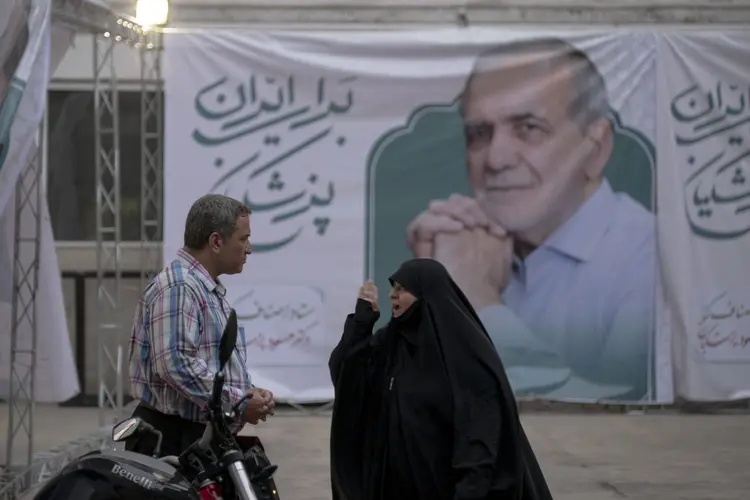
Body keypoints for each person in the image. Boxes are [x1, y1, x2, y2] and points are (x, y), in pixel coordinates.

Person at [406, 37, 656, 400]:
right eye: (479, 134)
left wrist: (476, 298)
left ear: (596, 148)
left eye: (528, 128)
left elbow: (608, 414)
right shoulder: (470, 248)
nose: (496, 159)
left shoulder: (653, 260)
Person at [329, 258, 553, 500]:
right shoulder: (392, 344)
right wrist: (361, 322)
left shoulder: (466, 359)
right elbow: (346, 375)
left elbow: (480, 441)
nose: (392, 295)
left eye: (402, 289)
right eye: (393, 288)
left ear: (426, 295)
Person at [126, 194, 275, 457]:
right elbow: (177, 364)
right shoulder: (179, 287)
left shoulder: (202, 288)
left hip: (195, 439)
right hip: (173, 443)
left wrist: (248, 393)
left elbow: (208, 366)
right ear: (216, 241)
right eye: (243, 239)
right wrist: (239, 403)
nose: (249, 248)